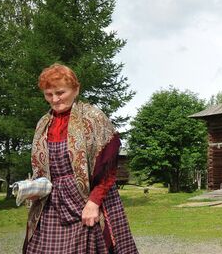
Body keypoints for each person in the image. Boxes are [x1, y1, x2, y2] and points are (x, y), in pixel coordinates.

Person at [23, 63, 138, 253]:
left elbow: (108, 167)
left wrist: (94, 203)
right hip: (51, 204)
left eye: (60, 92)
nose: (55, 99)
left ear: (76, 89)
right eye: (48, 94)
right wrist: (34, 188)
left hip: (87, 199)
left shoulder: (93, 118)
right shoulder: (43, 123)